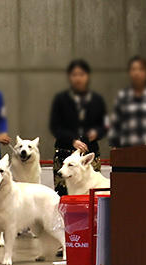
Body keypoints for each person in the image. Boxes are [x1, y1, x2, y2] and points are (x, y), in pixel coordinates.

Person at [49, 59, 107, 196]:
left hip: (89, 157)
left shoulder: (97, 100)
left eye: (81, 74)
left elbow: (104, 126)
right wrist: (72, 140)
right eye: (74, 75)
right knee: (64, 197)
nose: (78, 78)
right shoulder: (60, 99)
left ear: (87, 76)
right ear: (69, 77)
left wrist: (96, 133)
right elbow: (55, 127)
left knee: (92, 198)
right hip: (64, 154)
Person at [109, 56, 146, 148]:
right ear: (129, 73)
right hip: (126, 149)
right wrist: (114, 147)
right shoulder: (122, 96)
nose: (137, 73)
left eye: (141, 69)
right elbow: (115, 125)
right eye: (133, 69)